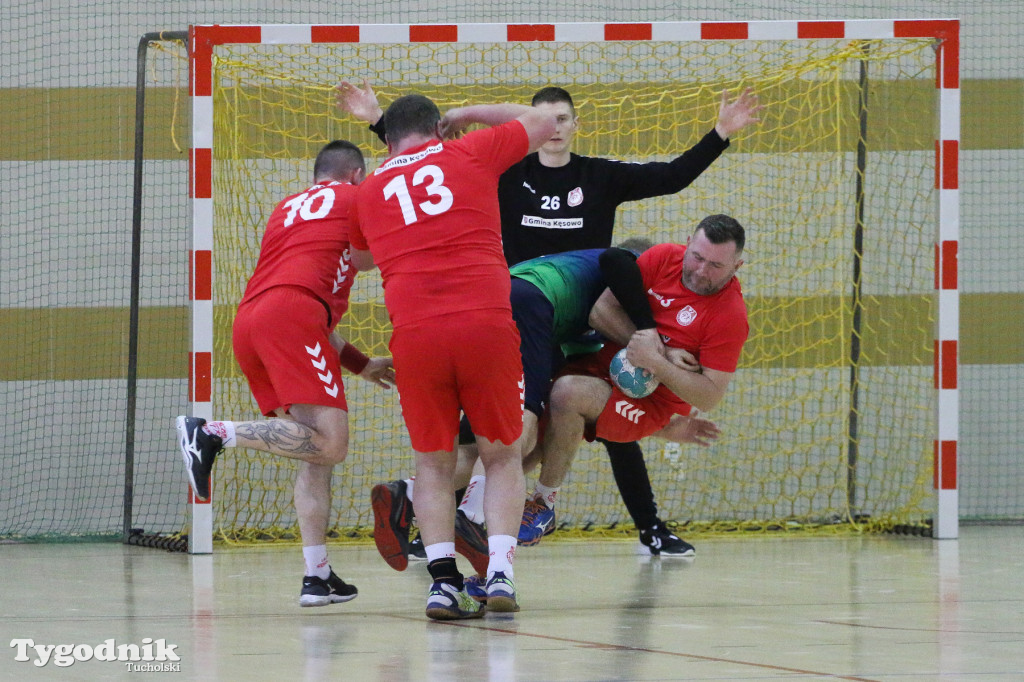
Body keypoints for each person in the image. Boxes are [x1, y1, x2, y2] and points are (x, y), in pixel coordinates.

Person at [338, 81, 762, 556]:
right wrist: (384, 122)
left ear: (576, 126)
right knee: (503, 434)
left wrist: (720, 134)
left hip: (576, 322)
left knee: (586, 413)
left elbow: (672, 176)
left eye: (563, 118)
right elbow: (422, 174)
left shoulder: (600, 176)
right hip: (518, 315)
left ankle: (645, 526)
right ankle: (451, 520)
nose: (554, 126)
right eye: (547, 117)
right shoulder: (505, 169)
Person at [347, 93, 558, 620]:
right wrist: (468, 113)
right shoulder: (469, 154)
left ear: (387, 142)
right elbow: (542, 118)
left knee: (434, 465)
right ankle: (501, 572)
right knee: (502, 455)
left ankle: (442, 583)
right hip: (484, 325)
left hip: (416, 336)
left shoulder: (367, 192)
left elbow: (362, 259)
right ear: (436, 129)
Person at [175, 140, 395, 607]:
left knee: (312, 447)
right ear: (356, 173)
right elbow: (366, 260)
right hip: (293, 316)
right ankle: (213, 433)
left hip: (254, 319)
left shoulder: (286, 208)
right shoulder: (359, 196)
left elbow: (301, 301)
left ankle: (316, 576)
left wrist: (361, 364)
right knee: (332, 444)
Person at [535, 214, 749, 555]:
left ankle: (543, 504)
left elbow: (709, 396)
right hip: (600, 370)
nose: (701, 271)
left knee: (568, 393)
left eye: (716, 266)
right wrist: (660, 351)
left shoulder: (729, 316)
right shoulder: (662, 257)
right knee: (524, 434)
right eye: (697, 257)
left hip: (648, 404)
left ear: (737, 265)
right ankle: (465, 520)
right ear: (687, 243)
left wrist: (657, 364)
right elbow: (600, 313)